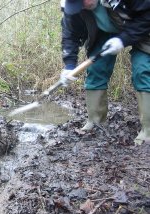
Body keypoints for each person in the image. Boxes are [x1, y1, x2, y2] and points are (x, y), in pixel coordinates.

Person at [60, 0, 150, 145]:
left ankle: (148, 131)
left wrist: (123, 39)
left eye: (83, 2)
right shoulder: (73, 6)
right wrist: (69, 65)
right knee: (96, 69)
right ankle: (95, 122)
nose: (81, 6)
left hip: (142, 25)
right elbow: (70, 32)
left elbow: (147, 15)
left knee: (143, 70)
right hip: (105, 30)